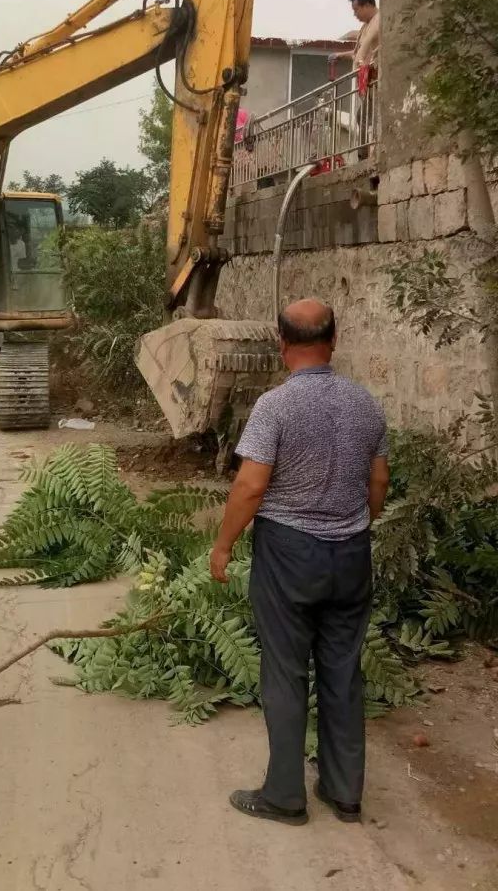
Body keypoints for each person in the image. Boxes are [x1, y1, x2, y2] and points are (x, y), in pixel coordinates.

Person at [209, 299, 389, 826]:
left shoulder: (275, 407)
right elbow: (378, 482)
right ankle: (344, 793)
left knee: (285, 673)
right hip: (351, 555)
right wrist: (359, 522)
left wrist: (222, 544)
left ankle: (285, 797)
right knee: (343, 672)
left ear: (281, 344)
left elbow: (250, 486)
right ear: (335, 341)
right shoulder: (366, 404)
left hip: (290, 555)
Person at [333, 0, 380, 70]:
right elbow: (357, 53)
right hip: (364, 78)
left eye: (356, 10)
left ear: (367, 5)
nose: (354, 14)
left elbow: (362, 52)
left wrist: (358, 63)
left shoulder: (378, 20)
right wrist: (340, 55)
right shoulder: (366, 25)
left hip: (375, 77)